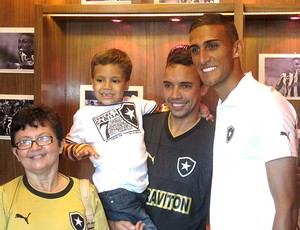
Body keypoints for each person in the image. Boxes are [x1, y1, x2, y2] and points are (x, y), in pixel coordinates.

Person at [189, 13, 298, 230]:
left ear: (236, 49)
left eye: (212, 46)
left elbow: (287, 207)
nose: (202, 58)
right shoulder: (224, 105)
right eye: (195, 49)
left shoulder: (267, 105)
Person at [109, 44, 215, 230]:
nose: (175, 95)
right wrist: (113, 223)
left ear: (203, 88)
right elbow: (112, 181)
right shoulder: (141, 126)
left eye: (185, 86)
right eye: (168, 85)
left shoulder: (217, 137)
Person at [64, 48, 159, 230]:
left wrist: (199, 108)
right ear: (92, 82)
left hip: (140, 189)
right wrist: (79, 149)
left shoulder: (136, 103)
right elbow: (66, 145)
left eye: (115, 81)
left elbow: (166, 109)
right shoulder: (85, 115)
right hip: (114, 190)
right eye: (100, 80)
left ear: (126, 84)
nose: (107, 86)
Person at [0, 105, 109, 230]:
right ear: (16, 153)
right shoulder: (4, 197)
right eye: (24, 142)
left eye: (43, 138)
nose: (35, 148)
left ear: (61, 145)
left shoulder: (86, 193)